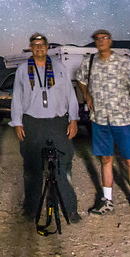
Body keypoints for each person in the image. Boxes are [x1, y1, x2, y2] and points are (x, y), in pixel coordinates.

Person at [75, 29, 130, 225]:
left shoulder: (123, 62)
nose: (101, 41)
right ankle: (107, 201)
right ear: (95, 42)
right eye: (98, 39)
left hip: (123, 119)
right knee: (106, 159)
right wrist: (87, 95)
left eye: (105, 38)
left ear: (111, 40)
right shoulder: (89, 62)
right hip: (99, 119)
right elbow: (80, 79)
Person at [9, 33, 81, 223]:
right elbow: (17, 97)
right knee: (32, 167)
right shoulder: (23, 70)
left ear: (47, 47)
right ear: (31, 48)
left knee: (63, 164)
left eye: (42, 44)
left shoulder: (59, 68)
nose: (39, 47)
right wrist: (17, 122)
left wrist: (73, 119)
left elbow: (70, 95)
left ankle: (69, 208)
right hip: (32, 121)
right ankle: (31, 208)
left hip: (57, 121)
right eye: (35, 45)